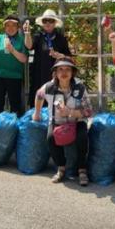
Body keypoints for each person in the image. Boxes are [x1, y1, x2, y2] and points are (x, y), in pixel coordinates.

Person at [32, 58, 93, 186]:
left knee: (82, 138)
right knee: (50, 138)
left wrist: (71, 112)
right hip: (57, 121)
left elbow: (88, 111)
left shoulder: (80, 88)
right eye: (60, 69)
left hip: (77, 121)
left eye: (67, 69)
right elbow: (38, 95)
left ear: (72, 73)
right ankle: (61, 168)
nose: (64, 72)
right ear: (55, 72)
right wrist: (37, 113)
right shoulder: (49, 87)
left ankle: (82, 170)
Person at [24, 9, 71, 107]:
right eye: (45, 21)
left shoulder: (61, 38)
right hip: (39, 75)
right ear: (42, 23)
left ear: (55, 23)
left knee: (55, 105)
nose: (48, 23)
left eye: (51, 21)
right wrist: (27, 34)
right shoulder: (38, 36)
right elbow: (29, 46)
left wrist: (60, 56)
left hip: (56, 76)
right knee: (38, 103)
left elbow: (69, 57)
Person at [0, 14, 29, 115]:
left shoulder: (21, 40)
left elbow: (24, 59)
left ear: (18, 27)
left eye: (13, 25)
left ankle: (14, 123)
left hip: (15, 77)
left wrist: (12, 50)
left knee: (15, 105)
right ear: (4, 27)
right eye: (8, 25)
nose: (10, 28)